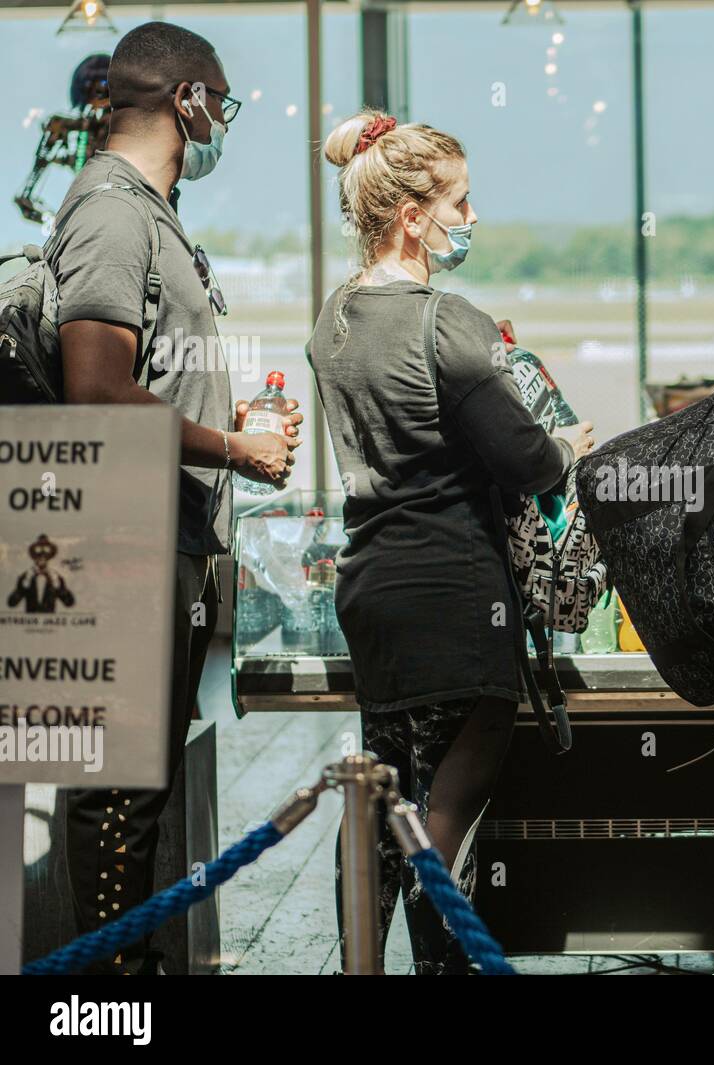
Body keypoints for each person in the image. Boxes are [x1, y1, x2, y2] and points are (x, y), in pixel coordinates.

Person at [309, 110, 594, 974]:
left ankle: (361, 961)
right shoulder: (448, 322)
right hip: (460, 599)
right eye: (460, 201)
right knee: (444, 819)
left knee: (381, 813)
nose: (471, 217)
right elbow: (526, 460)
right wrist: (568, 445)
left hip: (372, 594)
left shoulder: (334, 321)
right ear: (411, 217)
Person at [48, 22, 301, 976]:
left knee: (141, 782)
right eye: (220, 103)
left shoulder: (150, 213)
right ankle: (112, 993)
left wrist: (235, 420)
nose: (222, 124)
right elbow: (98, 392)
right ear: (186, 100)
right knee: (118, 790)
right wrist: (234, 446)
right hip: (121, 543)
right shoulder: (113, 215)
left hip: (162, 540)